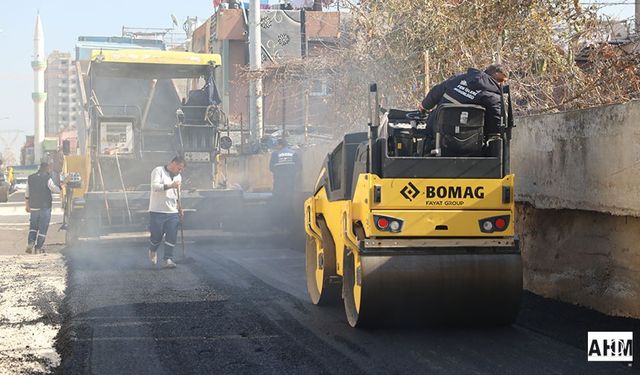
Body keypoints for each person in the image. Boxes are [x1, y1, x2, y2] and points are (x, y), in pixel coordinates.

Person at [419, 64, 508, 136]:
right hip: (472, 144)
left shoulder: (458, 78)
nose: (502, 84)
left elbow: (436, 92)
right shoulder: (494, 98)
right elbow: (495, 126)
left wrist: (424, 106)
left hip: (435, 132)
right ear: (492, 77)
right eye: (501, 81)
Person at [148, 156, 185, 268]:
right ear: (173, 164)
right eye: (179, 168)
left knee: (172, 235)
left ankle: (167, 259)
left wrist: (179, 207)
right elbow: (155, 187)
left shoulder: (178, 176)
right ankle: (153, 250)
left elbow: (177, 193)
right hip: (157, 210)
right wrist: (170, 185)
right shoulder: (158, 171)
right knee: (157, 236)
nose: (180, 171)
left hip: (172, 212)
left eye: (181, 170)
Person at [25, 161, 67, 253]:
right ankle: (38, 248)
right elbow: (55, 189)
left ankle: (30, 243)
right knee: (43, 228)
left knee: (33, 227)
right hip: (45, 207)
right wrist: (63, 185)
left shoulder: (30, 178)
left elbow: (27, 193)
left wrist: (27, 205)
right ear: (47, 168)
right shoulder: (47, 178)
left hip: (34, 207)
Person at [269, 139, 299, 230]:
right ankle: (291, 224)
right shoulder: (294, 153)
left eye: (277, 145)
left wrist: (279, 173)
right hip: (290, 182)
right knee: (289, 202)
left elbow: (271, 168)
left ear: (280, 145)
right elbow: (298, 167)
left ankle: (278, 224)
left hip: (279, 182)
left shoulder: (275, 154)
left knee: (278, 202)